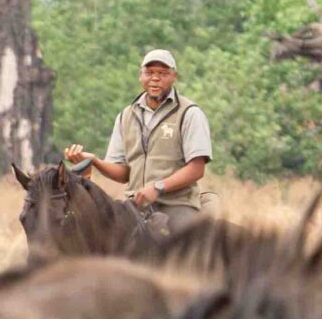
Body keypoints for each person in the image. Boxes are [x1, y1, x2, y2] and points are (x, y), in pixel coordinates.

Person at [66, 47, 215, 223]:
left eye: (162, 73)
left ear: (174, 76)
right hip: (134, 206)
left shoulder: (189, 113)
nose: (155, 78)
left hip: (176, 204)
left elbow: (197, 168)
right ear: (140, 75)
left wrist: (158, 187)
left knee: (181, 245)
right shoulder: (126, 116)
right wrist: (94, 161)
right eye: (149, 72)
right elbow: (123, 174)